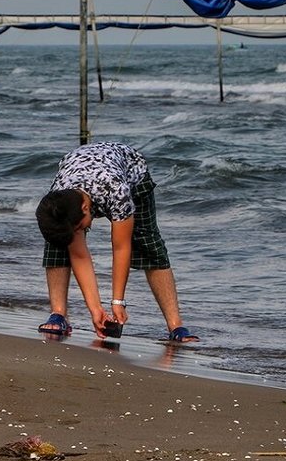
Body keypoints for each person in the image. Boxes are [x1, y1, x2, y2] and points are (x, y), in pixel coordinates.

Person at [35, 141, 198, 342]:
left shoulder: (117, 191)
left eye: (80, 227)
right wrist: (95, 309)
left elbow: (121, 248)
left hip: (131, 172)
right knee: (59, 243)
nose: (82, 230)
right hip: (77, 169)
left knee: (149, 245)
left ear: (86, 209)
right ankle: (58, 314)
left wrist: (117, 301)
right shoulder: (61, 200)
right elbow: (79, 255)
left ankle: (176, 326)